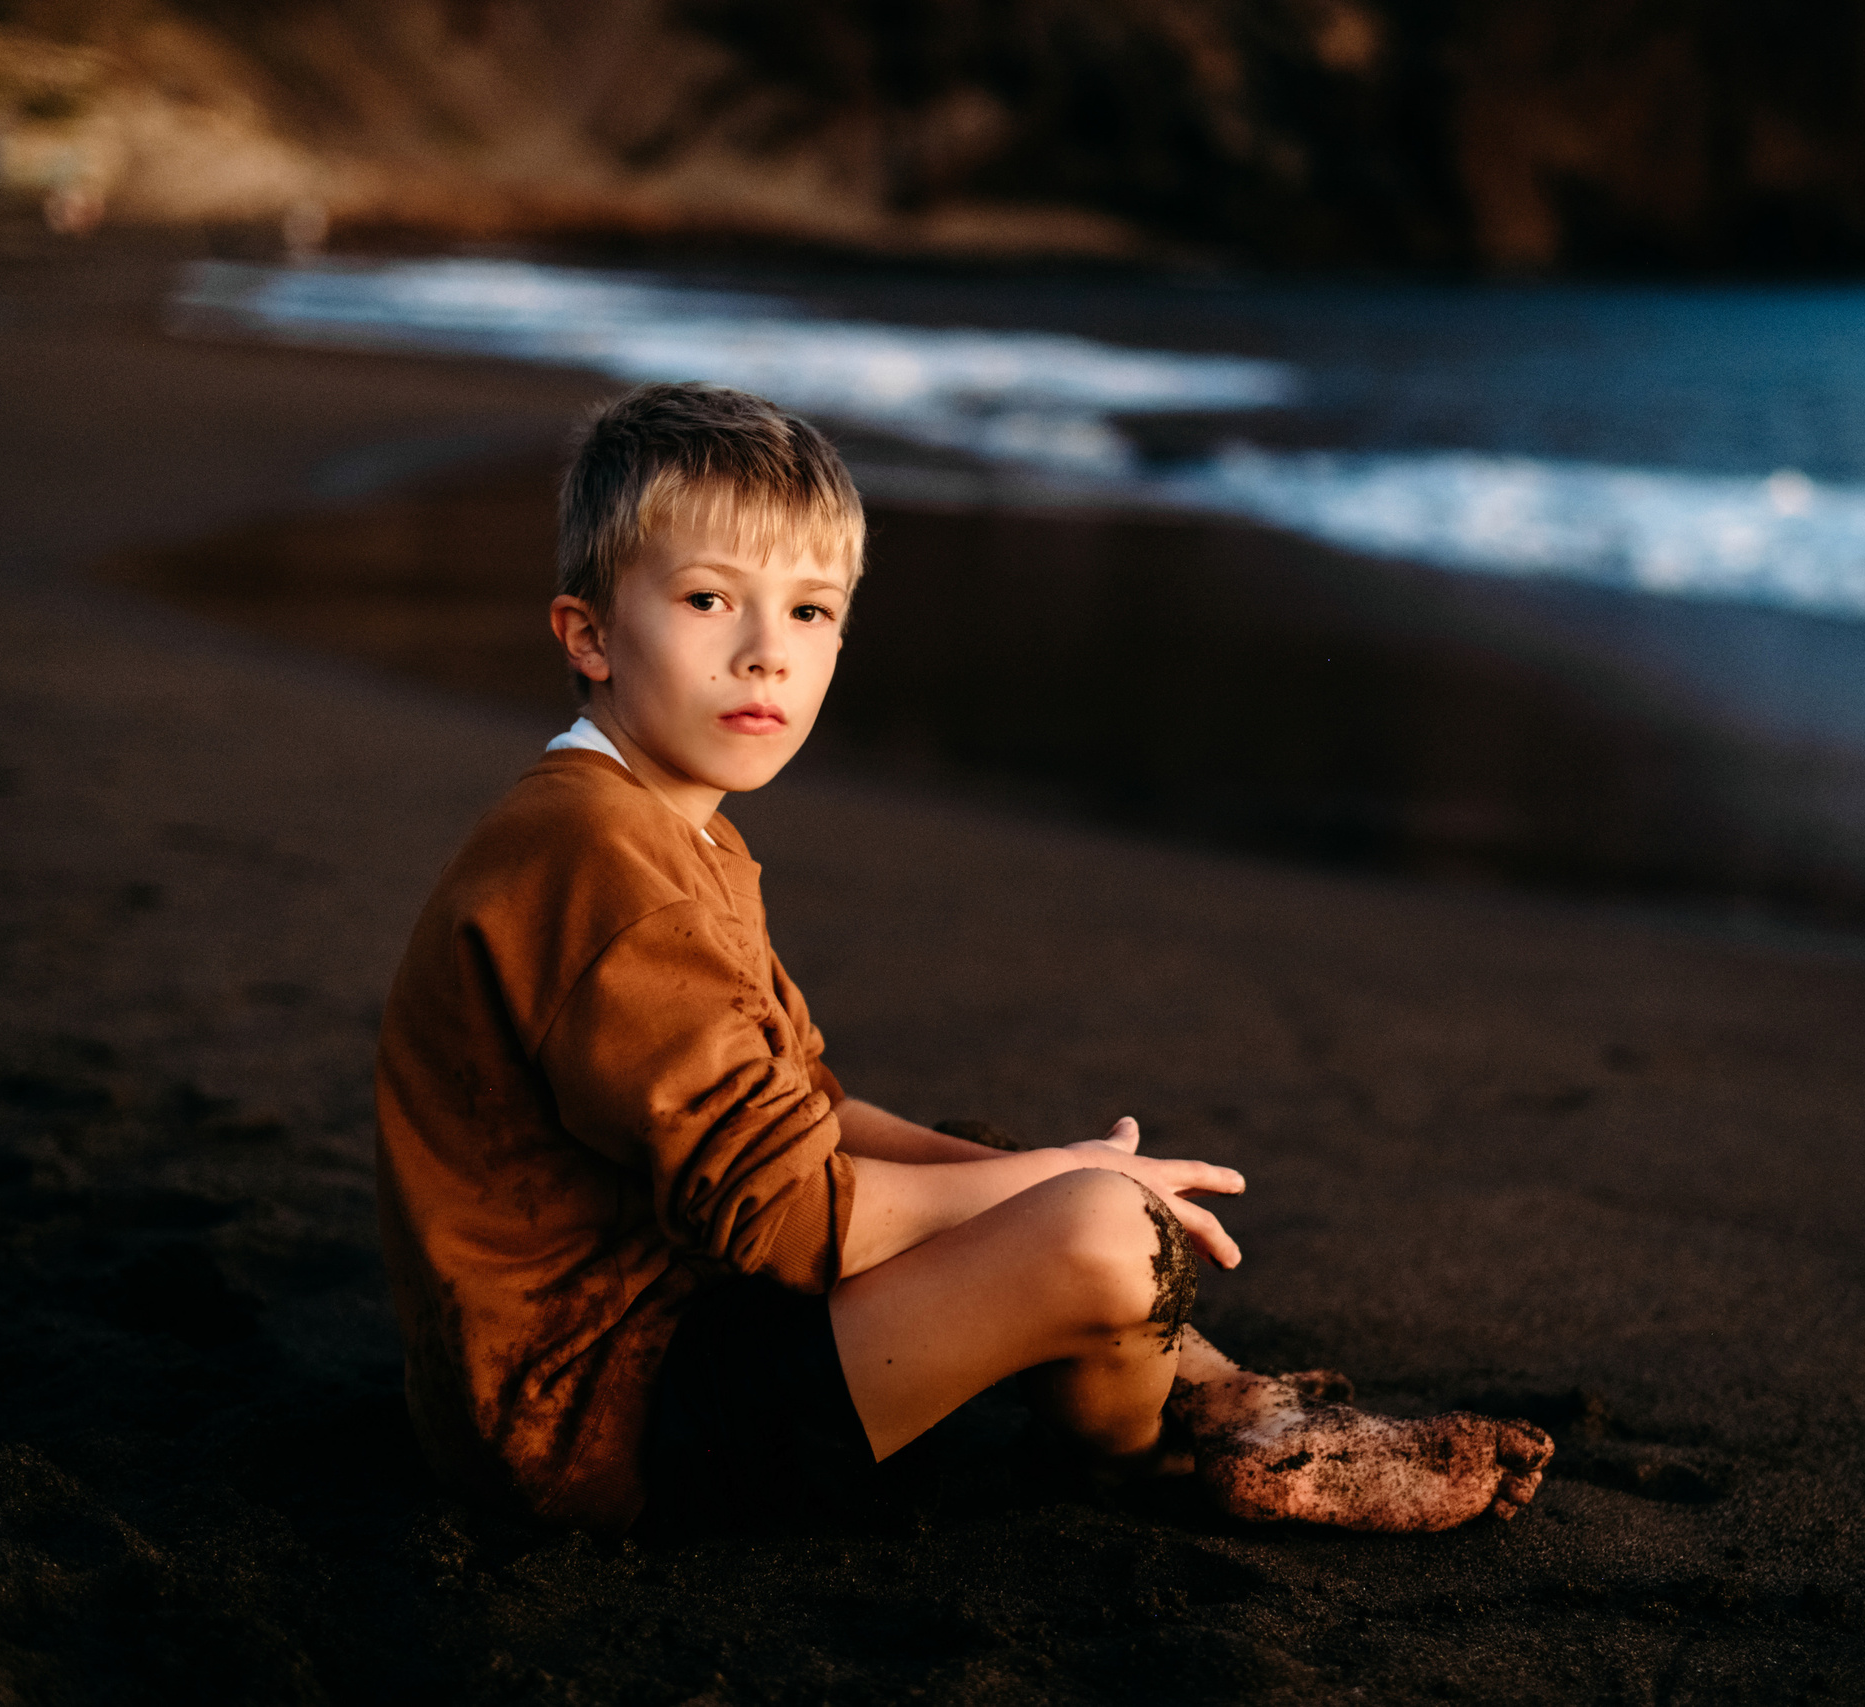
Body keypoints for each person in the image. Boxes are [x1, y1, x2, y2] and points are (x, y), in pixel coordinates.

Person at [375, 382, 1552, 1535]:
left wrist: (1042, 1167)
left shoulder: (653, 822)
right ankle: (1160, 1457)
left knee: (1020, 1172)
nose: (765, 655)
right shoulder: (604, 864)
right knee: (1097, 1234)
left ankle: (1233, 1403)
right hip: (594, 1423)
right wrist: (1086, 1195)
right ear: (587, 634)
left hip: (656, 1329)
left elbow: (807, 1109)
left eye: (809, 611)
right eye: (705, 600)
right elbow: (785, 1218)